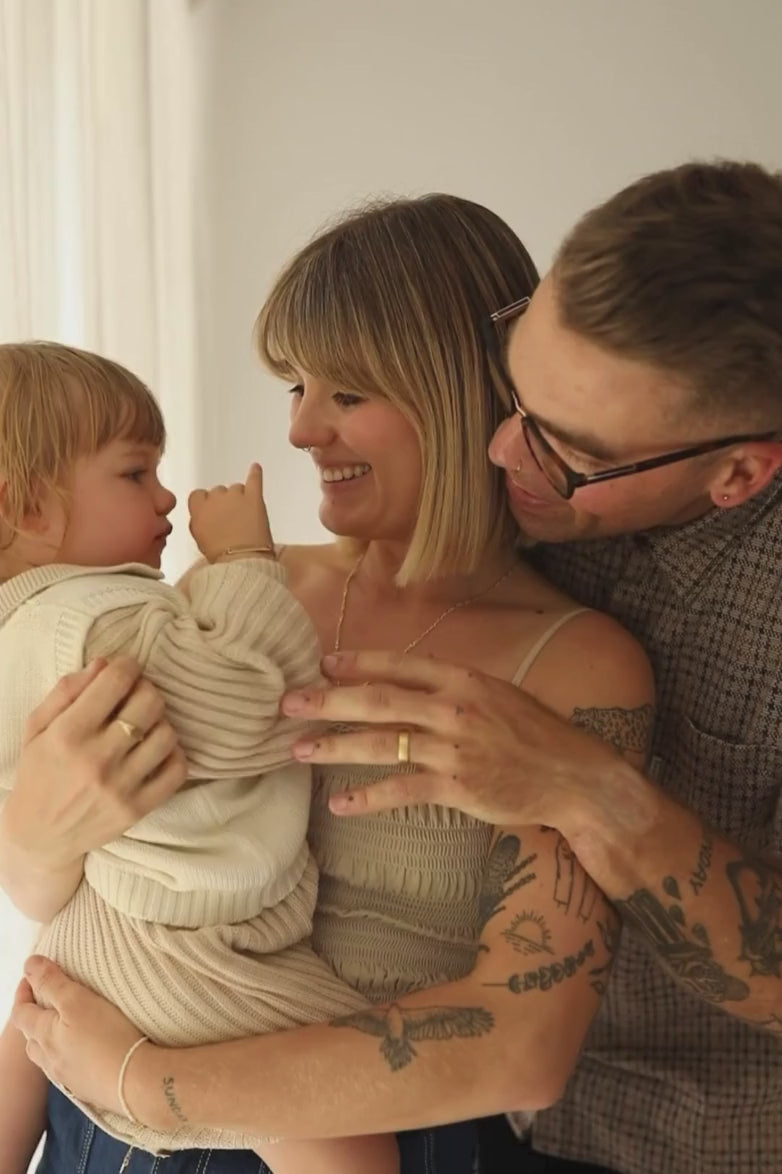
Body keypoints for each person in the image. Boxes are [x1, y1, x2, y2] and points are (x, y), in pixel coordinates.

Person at [4, 196, 656, 1174]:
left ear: (453, 389)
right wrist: (31, 832)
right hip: (104, 1099)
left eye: (345, 392)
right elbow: (90, 875)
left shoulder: (574, 662)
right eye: (295, 386)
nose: (303, 428)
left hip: (348, 1130)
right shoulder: (238, 593)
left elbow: (525, 1045)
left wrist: (144, 1076)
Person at [182, 159, 782, 1174]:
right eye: (509, 380)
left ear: (736, 471)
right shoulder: (318, 571)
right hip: (476, 1120)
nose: (499, 448)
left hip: (694, 1140)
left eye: (559, 442)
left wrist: (590, 790)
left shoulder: (604, 643)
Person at [0, 341, 400, 1174]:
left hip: (109, 925)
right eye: (135, 472)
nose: (169, 494)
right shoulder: (94, 618)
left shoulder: (33, 628)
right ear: (30, 509)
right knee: (351, 1130)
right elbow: (248, 710)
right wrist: (244, 564)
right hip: (187, 948)